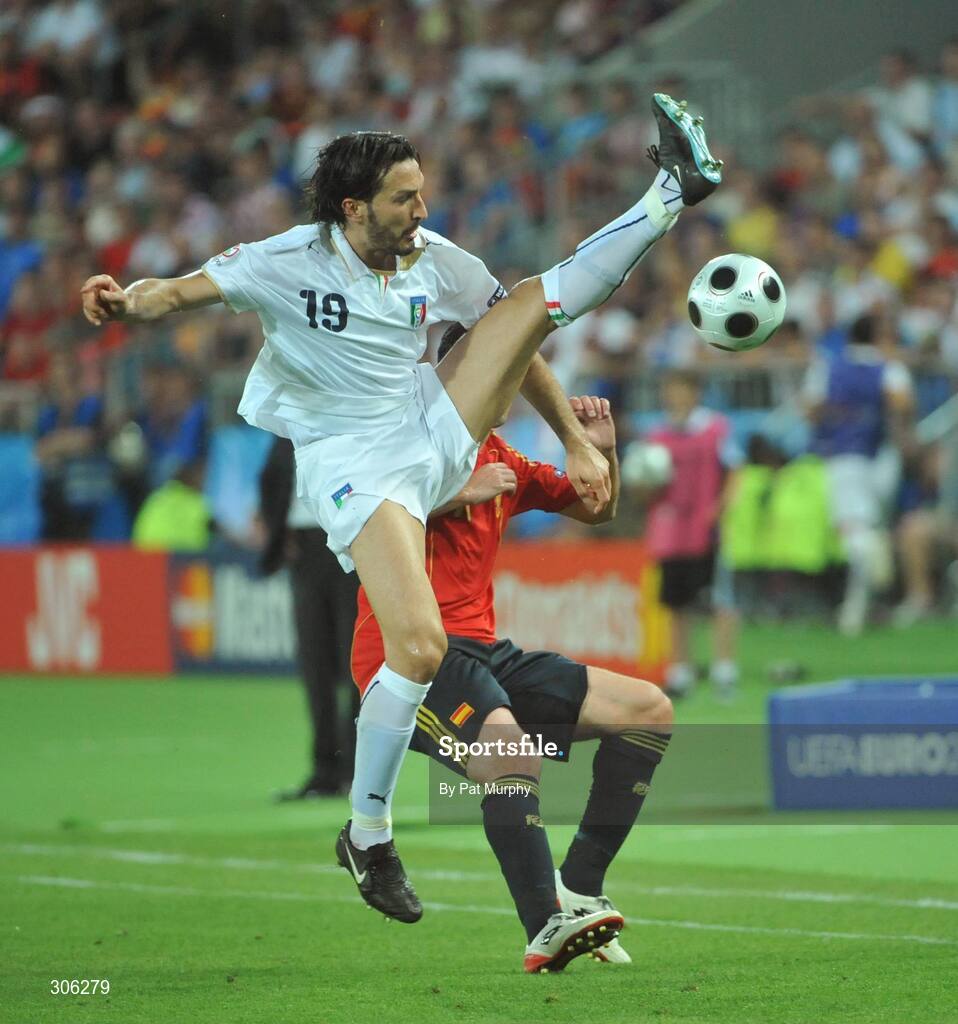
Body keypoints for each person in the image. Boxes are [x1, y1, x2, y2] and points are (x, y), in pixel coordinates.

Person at [80, 94, 720, 925]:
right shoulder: (286, 261)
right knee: (417, 646)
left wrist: (575, 440)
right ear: (353, 208)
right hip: (352, 460)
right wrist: (128, 303)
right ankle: (368, 833)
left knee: (526, 303)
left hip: (431, 430)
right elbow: (178, 293)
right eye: (404, 199)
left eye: (422, 194)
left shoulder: (436, 260)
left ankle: (670, 191)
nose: (422, 211)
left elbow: (520, 340)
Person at [352, 352, 672, 971]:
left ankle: (578, 887)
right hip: (408, 655)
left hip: (484, 653)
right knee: (509, 751)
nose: (508, 390)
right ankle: (542, 925)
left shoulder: (502, 457)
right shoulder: (402, 440)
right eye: (499, 376)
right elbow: (358, 506)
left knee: (647, 710)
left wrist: (603, 452)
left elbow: (595, 509)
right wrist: (457, 492)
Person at [258, 437, 359, 798]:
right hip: (304, 548)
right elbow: (270, 477)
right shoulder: (290, 425)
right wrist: (278, 530)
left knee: (356, 663)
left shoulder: (348, 420)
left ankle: (355, 771)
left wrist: (341, 511)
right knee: (314, 661)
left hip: (350, 543)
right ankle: (325, 770)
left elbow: (363, 477)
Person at [804, 314, 914, 634]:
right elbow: (904, 403)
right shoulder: (889, 367)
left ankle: (874, 571)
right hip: (882, 457)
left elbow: (811, 409)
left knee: (853, 532)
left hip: (844, 457)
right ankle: (857, 607)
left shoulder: (828, 366)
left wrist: (839, 410)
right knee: (870, 525)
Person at [644, 369, 740, 697]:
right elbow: (647, 484)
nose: (674, 397)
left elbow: (735, 470)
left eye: (680, 390)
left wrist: (719, 509)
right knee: (676, 602)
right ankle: (680, 670)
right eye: (670, 390)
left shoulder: (715, 429)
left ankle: (724, 668)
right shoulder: (657, 435)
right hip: (670, 530)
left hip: (706, 528)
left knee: (719, 600)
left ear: (695, 393)